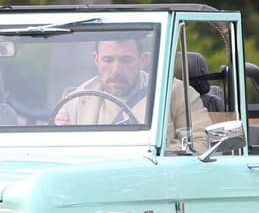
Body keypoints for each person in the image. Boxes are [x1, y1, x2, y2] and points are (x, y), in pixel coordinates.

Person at [54, 37, 214, 151]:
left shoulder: (175, 92)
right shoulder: (77, 99)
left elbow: (203, 146)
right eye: (108, 60)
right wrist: (59, 133)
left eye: (126, 60)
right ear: (96, 60)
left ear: (142, 60)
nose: (116, 70)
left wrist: (161, 149)